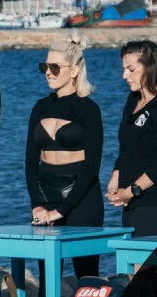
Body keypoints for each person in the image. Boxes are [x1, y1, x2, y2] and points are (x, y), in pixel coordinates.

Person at [25, 35, 103, 278]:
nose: (48, 72)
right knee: (47, 275)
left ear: (74, 71)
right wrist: (37, 204)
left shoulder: (89, 109)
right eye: (45, 67)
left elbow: (92, 166)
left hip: (82, 198)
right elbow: (30, 162)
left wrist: (62, 210)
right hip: (46, 194)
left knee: (86, 275)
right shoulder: (40, 107)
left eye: (55, 67)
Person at [105, 40, 157, 237]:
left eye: (131, 69)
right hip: (131, 205)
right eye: (124, 69)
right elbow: (126, 148)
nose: (124, 76)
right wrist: (115, 179)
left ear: (150, 68)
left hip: (156, 206)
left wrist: (131, 191)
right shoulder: (133, 100)